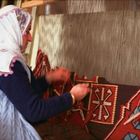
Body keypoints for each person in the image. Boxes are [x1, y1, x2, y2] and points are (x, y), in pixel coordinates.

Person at [0, 5, 89, 140]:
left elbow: (25, 92)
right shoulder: (8, 64)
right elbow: (34, 111)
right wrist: (72, 97)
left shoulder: (6, 58)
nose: (30, 38)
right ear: (12, 31)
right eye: (26, 31)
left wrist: (49, 77)